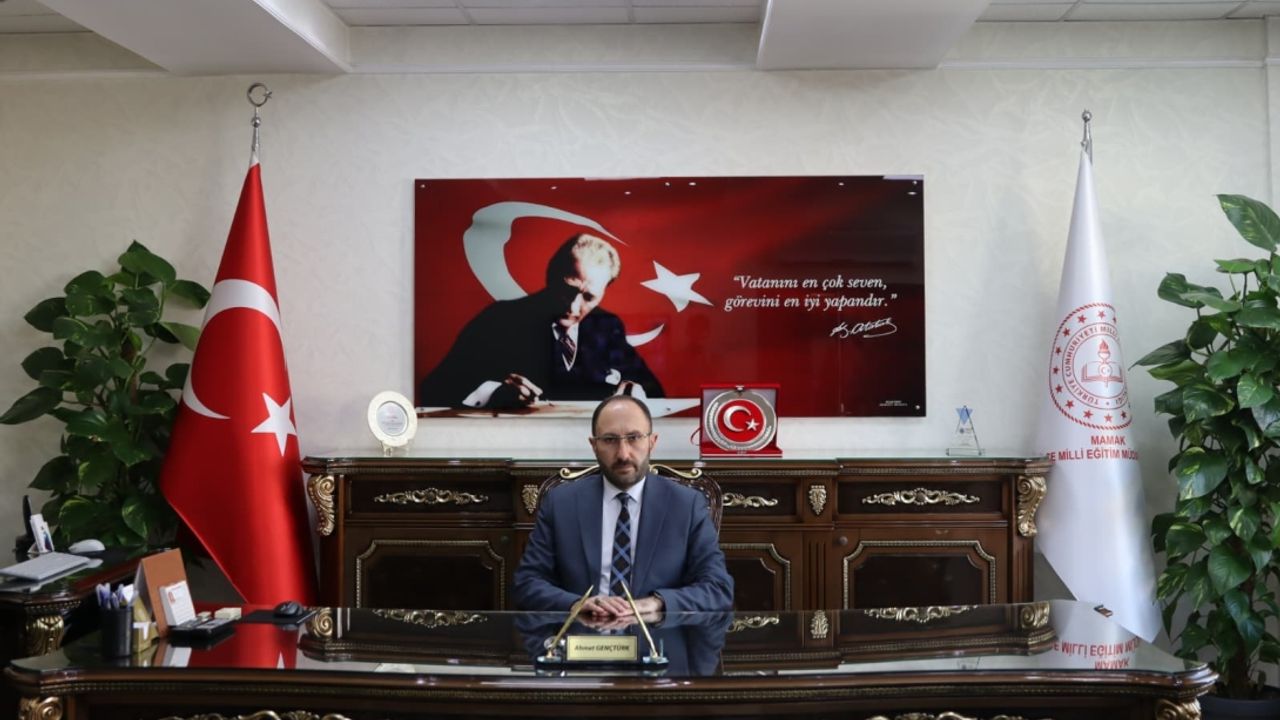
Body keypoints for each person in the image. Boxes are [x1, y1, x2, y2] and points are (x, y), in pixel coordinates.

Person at [513, 395, 733, 617]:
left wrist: (655, 603)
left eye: (634, 437)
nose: (623, 454)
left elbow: (718, 588)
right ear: (594, 445)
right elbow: (527, 583)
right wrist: (577, 604)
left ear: (652, 441)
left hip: (656, 633)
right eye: (609, 440)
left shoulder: (686, 505)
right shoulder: (562, 504)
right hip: (583, 632)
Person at [418, 233, 664, 408]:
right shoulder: (499, 320)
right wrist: (493, 392)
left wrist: (637, 392)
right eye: (568, 290)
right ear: (551, 277)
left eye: (589, 297)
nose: (573, 307)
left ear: (603, 292)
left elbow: (655, 392)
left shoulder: (606, 326)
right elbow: (434, 390)